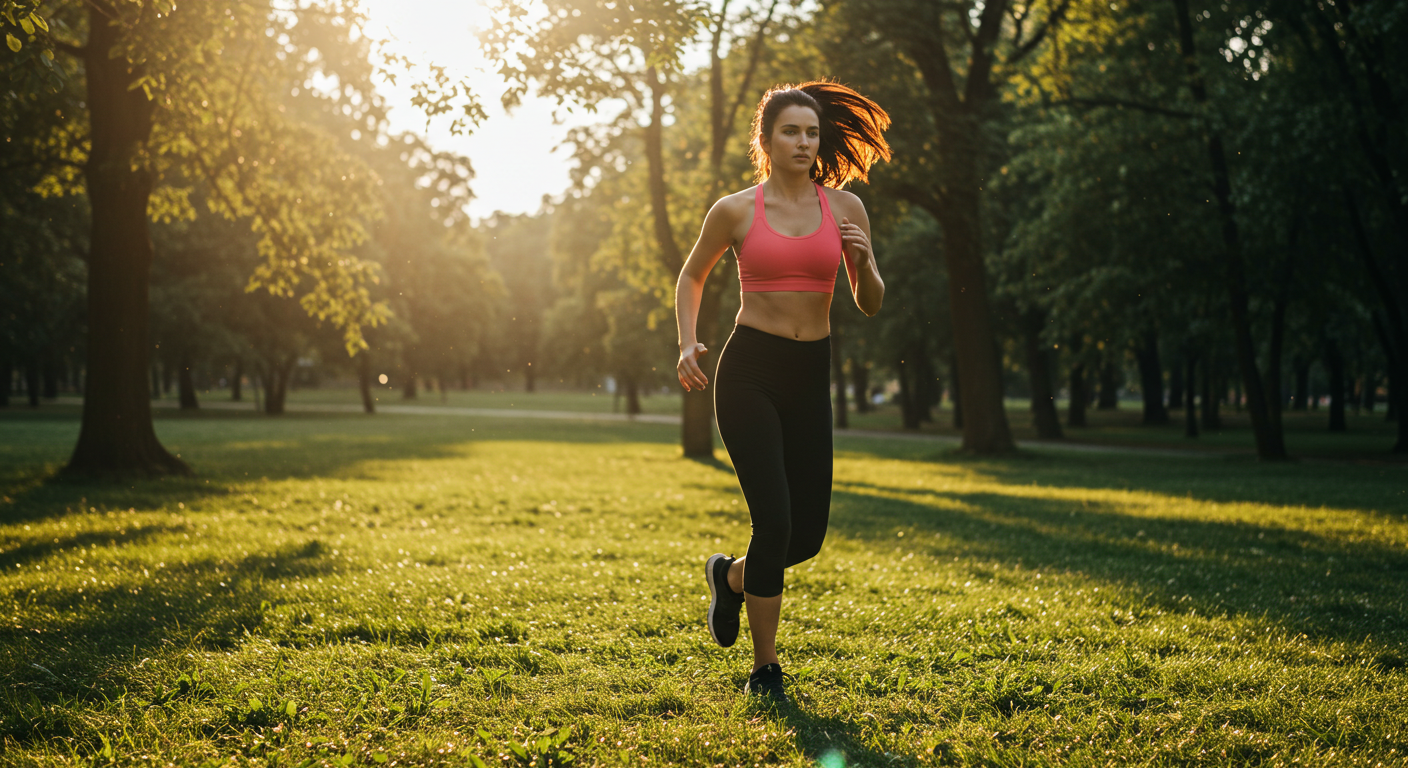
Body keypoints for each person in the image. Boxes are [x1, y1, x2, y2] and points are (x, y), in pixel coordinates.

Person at [674, 81, 890, 704]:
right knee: (773, 521)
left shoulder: (845, 208)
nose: (803, 141)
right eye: (791, 131)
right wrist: (688, 343)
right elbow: (691, 275)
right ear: (766, 141)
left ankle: (732, 577)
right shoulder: (736, 210)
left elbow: (869, 305)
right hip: (750, 371)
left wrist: (868, 263)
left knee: (806, 535)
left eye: (812, 132)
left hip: (808, 374)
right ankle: (765, 666)